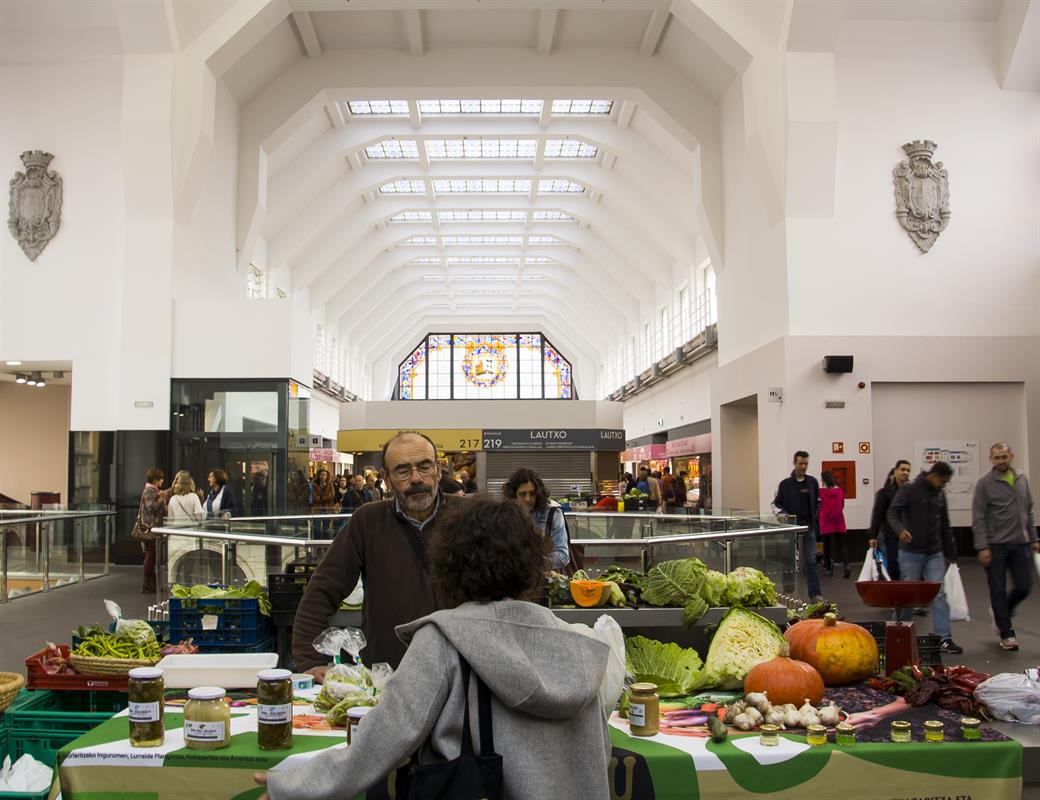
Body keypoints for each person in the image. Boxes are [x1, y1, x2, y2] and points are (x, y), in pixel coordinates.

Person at [259, 498, 623, 800]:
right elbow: (598, 751)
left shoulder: (444, 639)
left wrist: (290, 786)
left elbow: (382, 742)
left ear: (449, 564)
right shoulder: (578, 645)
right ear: (532, 563)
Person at [292, 432, 464, 674]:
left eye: (424, 466)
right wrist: (310, 661)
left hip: (462, 672)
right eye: (403, 470)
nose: (416, 478)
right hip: (389, 675)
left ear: (438, 470)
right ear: (387, 478)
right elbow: (323, 589)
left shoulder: (469, 518)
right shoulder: (367, 521)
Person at [887, 461, 962, 654]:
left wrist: (952, 553)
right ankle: (897, 632)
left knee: (939, 593)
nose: (943, 485)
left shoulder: (939, 494)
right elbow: (892, 512)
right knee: (908, 594)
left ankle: (944, 638)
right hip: (910, 551)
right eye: (942, 481)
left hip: (934, 552)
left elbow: (945, 524)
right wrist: (900, 530)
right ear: (934, 475)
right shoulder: (909, 489)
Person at [972, 443, 1039, 651]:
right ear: (991, 460)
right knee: (998, 590)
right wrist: (982, 546)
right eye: (997, 457)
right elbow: (978, 516)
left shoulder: (1021, 479)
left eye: (1004, 456)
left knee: (1024, 586)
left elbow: (1028, 511)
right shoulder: (984, 483)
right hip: (995, 545)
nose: (1001, 461)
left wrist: (1033, 538)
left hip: (1019, 543)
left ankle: (1002, 611)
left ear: (1011, 456)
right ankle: (1006, 632)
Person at [773, 451, 822, 602]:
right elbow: (777, 503)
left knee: (811, 561)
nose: (803, 466)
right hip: (791, 530)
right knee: (788, 560)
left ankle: (815, 594)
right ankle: (788, 592)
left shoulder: (812, 482)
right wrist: (784, 516)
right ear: (794, 463)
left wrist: (813, 515)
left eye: (806, 463)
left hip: (809, 528)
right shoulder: (785, 484)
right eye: (800, 463)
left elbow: (817, 502)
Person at [502, 467, 570, 573]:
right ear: (513, 495)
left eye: (532, 494)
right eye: (523, 494)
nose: (527, 499)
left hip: (544, 578)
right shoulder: (505, 514)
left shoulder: (553, 513)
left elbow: (562, 555)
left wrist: (532, 563)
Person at [868, 460, 912, 579]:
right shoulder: (885, 493)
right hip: (892, 535)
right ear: (896, 471)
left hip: (910, 535)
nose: (905, 472)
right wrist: (873, 535)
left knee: (910, 565)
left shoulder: (913, 491)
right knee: (894, 565)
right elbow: (878, 514)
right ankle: (896, 591)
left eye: (908, 470)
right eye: (902, 469)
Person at [137, 467, 169, 594]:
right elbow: (150, 507)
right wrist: (161, 499)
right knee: (151, 555)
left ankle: (150, 583)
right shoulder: (150, 491)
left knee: (152, 555)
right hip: (151, 527)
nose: (162, 481)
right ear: (156, 479)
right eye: (160, 479)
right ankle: (147, 583)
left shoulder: (151, 490)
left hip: (152, 527)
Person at [819, 470, 849, 577]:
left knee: (827, 546)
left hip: (826, 520)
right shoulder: (840, 491)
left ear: (823, 479)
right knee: (841, 545)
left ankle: (828, 569)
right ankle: (846, 566)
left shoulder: (821, 492)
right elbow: (842, 504)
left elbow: (820, 506)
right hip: (838, 520)